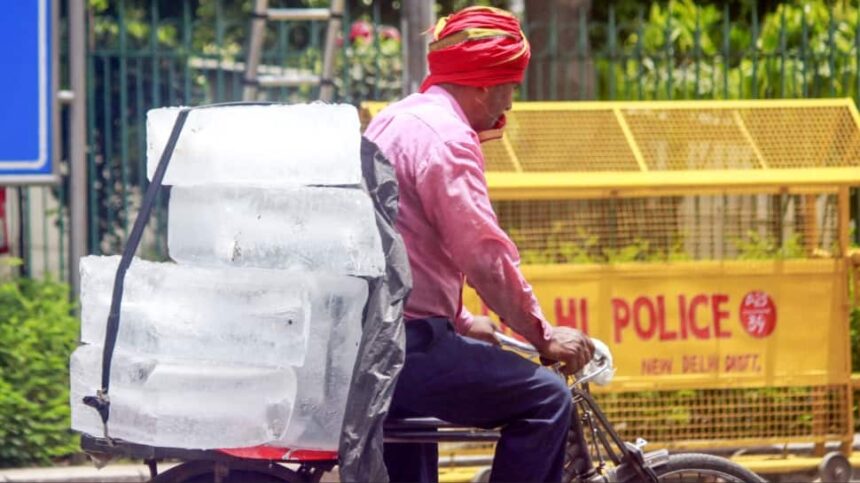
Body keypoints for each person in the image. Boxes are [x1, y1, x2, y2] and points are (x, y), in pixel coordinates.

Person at [363, 6, 595, 482]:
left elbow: (397, 247)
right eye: (510, 86)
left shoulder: (394, 120)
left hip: (368, 342)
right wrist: (543, 334)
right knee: (546, 399)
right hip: (407, 348)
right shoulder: (448, 140)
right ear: (485, 83)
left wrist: (463, 321)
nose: (509, 103)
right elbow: (483, 257)